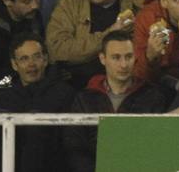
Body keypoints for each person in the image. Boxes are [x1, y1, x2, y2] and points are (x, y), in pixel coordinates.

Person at [65, 30, 170, 172]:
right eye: (116, 58)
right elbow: (75, 148)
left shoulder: (152, 97)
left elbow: (158, 148)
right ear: (103, 59)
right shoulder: (85, 99)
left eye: (128, 57)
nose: (124, 64)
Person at [46, 0, 140, 89]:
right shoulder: (70, 3)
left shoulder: (135, 6)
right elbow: (58, 49)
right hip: (76, 83)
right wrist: (108, 34)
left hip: (122, 83)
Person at [0, 37, 77, 172]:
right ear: (14, 64)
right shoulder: (2, 97)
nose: (31, 64)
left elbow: (69, 145)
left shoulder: (65, 94)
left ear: (45, 60)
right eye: (24, 59)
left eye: (36, 57)